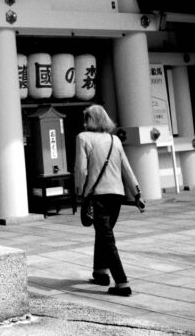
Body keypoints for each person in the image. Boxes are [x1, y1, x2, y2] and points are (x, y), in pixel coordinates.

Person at [75, 104, 145, 296]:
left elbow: (81, 170)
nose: (83, 121)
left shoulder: (83, 137)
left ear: (90, 120)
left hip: (98, 195)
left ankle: (122, 283)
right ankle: (100, 273)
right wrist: (137, 193)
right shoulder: (115, 140)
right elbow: (127, 168)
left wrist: (80, 192)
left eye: (86, 118)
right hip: (117, 195)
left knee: (106, 238)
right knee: (104, 233)